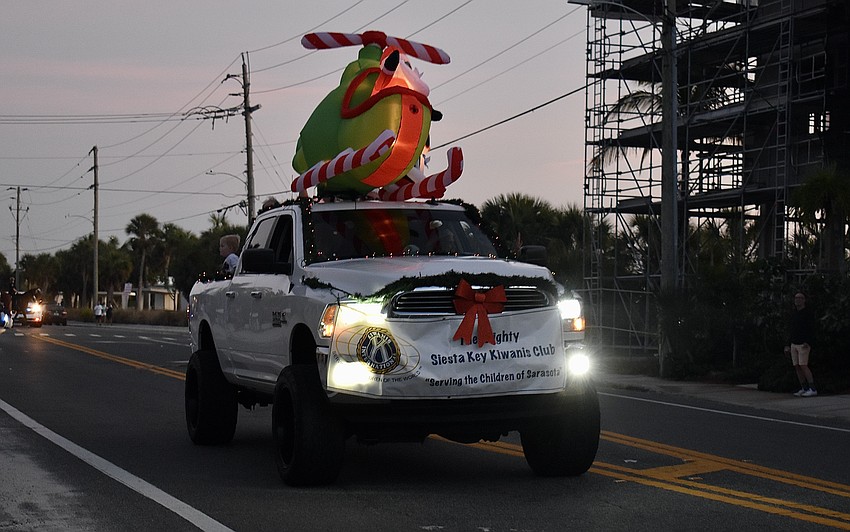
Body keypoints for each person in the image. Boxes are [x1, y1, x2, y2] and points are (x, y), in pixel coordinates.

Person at [785, 291, 817, 397]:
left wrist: (808, 342)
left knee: (803, 365)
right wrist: (788, 344)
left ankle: (812, 388)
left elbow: (812, 329)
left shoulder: (808, 313)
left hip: (803, 343)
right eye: (796, 298)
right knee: (797, 366)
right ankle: (804, 387)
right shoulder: (794, 314)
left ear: (804, 300)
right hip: (794, 342)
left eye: (800, 298)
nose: (797, 300)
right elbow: (791, 329)